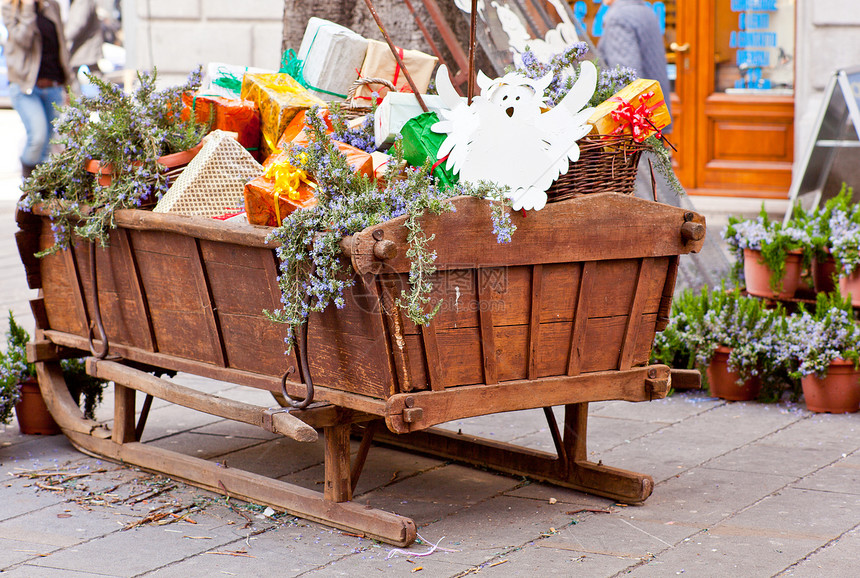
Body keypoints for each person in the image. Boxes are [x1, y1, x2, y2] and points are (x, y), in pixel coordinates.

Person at [1, 0, 75, 179]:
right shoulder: (10, 8)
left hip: (53, 85)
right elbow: (22, 40)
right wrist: (27, 8)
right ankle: (28, 183)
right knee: (38, 137)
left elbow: (61, 47)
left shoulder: (51, 6)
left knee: (48, 145)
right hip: (26, 87)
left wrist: (69, 84)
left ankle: (37, 194)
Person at [598, 0, 672, 126]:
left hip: (635, 126)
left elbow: (625, 80)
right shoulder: (645, 11)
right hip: (653, 115)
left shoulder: (619, 18)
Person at [66, 0, 102, 76]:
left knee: (73, 73)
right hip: (82, 45)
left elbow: (78, 25)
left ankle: (107, 87)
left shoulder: (83, 2)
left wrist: (63, 37)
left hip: (86, 45)